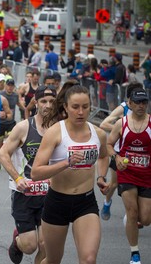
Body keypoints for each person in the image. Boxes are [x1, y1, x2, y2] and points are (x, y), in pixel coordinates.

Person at [31, 82, 109, 264]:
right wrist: (66, 163)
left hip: (86, 202)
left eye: (85, 107)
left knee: (89, 259)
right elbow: (36, 172)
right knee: (53, 260)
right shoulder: (55, 133)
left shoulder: (98, 134)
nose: (80, 112)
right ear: (65, 107)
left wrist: (101, 176)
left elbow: (104, 156)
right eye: (75, 107)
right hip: (57, 202)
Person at [0, 85, 57, 264]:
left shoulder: (60, 128)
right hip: (24, 194)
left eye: (52, 101)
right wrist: (17, 178)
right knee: (30, 245)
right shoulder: (24, 127)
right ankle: (18, 242)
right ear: (36, 103)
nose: (47, 105)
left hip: (50, 195)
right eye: (43, 101)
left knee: (45, 244)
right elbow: (3, 153)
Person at [107, 88, 151, 264]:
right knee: (132, 213)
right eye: (137, 102)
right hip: (127, 173)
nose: (141, 106)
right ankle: (134, 253)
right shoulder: (121, 123)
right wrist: (116, 157)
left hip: (147, 174)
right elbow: (109, 144)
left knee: (146, 219)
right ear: (130, 103)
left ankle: (134, 219)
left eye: (144, 102)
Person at [99, 82, 143, 221]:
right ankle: (107, 202)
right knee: (115, 183)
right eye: (136, 100)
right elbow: (104, 123)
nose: (140, 103)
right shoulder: (122, 108)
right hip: (118, 152)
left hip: (137, 153)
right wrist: (121, 129)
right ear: (129, 100)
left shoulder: (143, 109)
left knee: (138, 183)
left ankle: (131, 214)